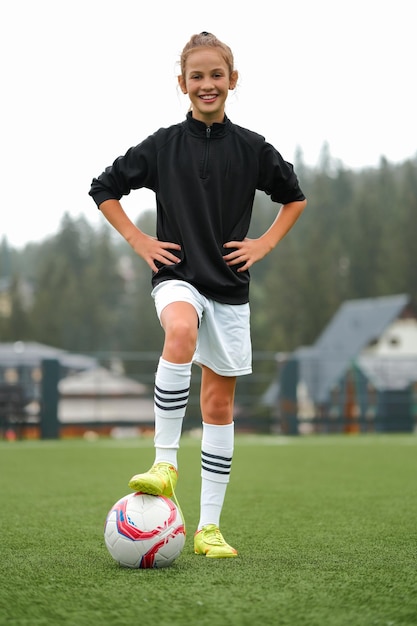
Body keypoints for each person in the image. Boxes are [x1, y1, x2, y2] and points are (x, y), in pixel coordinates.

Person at [89, 31, 307, 558]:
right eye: (196, 76)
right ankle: (165, 462)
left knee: (218, 403)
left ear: (233, 81)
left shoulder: (253, 148)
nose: (206, 84)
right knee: (180, 331)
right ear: (181, 85)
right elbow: (104, 187)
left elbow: (293, 198)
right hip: (178, 275)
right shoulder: (164, 144)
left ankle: (208, 528)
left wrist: (264, 244)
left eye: (216, 75)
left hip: (230, 286)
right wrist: (140, 240)